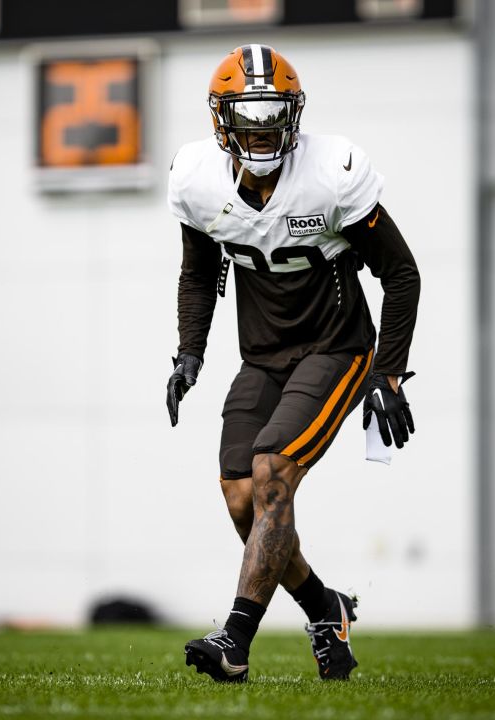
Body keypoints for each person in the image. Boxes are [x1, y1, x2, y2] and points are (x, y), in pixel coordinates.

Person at [164, 44, 421, 682]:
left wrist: (388, 373)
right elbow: (199, 275)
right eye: (247, 118)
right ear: (221, 121)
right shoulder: (197, 180)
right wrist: (189, 354)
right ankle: (325, 609)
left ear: (294, 115)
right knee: (242, 496)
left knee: (274, 467)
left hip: (336, 349)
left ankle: (235, 641)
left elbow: (401, 274)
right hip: (263, 357)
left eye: (273, 116)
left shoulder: (331, 171)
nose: (261, 131)